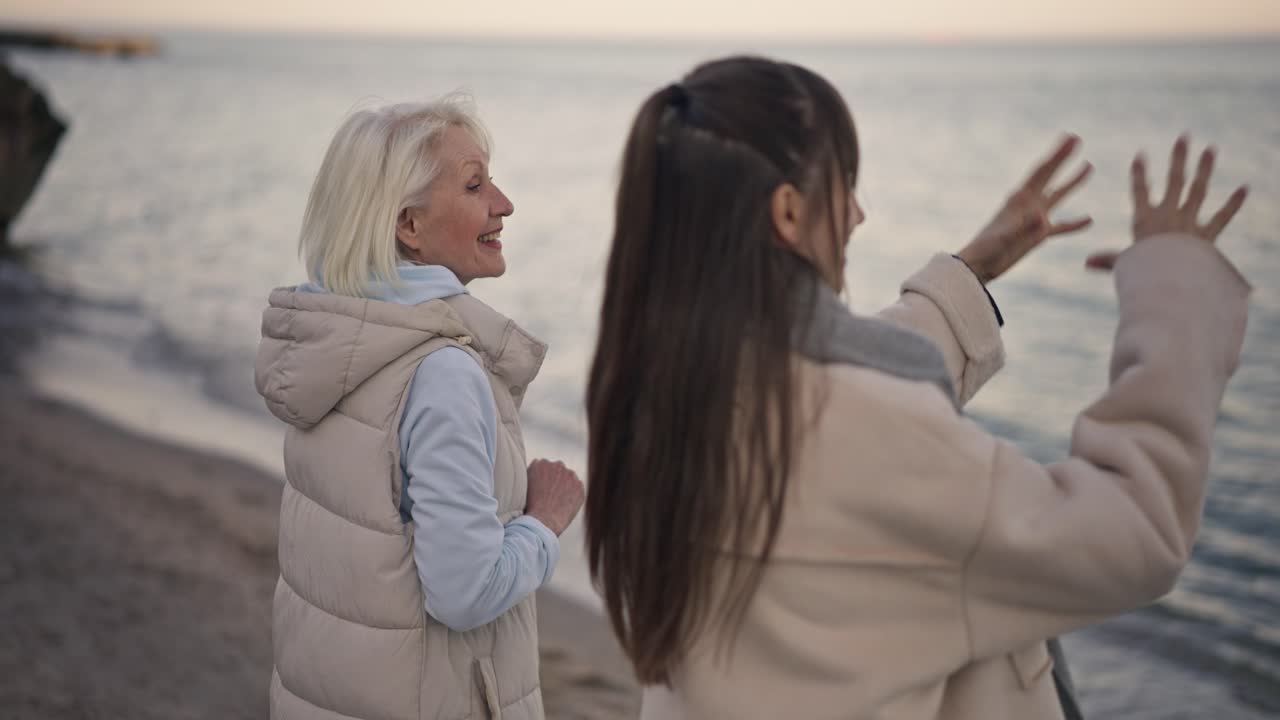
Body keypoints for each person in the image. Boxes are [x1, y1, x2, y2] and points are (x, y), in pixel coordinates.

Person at [585, 55, 1250, 720]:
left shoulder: (657, 395)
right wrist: (1177, 293)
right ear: (789, 212)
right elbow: (1132, 533)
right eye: (845, 185)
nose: (859, 215)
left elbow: (838, 377)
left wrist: (973, 269)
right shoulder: (854, 431)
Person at [255, 95, 584, 720]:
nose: (504, 204)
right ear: (409, 225)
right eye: (475, 185)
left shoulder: (333, 344)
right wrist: (545, 523)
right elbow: (464, 592)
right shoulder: (442, 374)